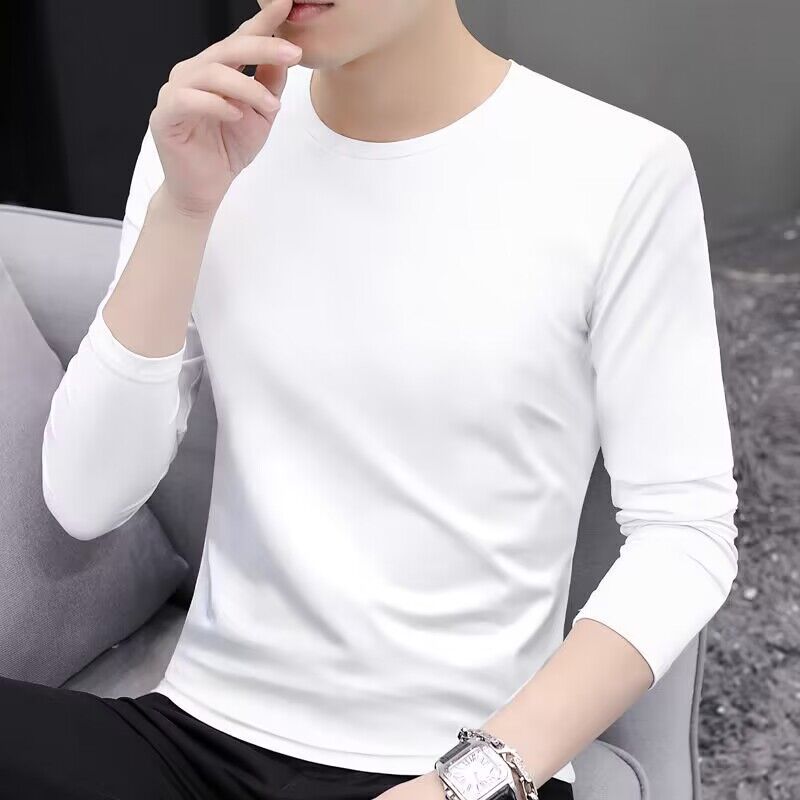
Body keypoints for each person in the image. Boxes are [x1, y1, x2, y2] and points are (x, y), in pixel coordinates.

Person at [8, 0, 739, 797]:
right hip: (191, 740)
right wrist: (182, 210)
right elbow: (86, 500)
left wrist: (469, 780)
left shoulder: (618, 169)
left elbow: (684, 535)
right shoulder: (207, 132)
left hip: (444, 766)